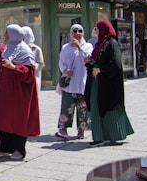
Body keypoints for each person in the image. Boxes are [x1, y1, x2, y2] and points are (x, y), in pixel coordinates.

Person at [0, 24, 40, 160]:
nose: (4, 35)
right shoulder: (9, 48)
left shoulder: (25, 50)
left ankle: (19, 149)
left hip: (18, 93)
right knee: (3, 117)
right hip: (6, 91)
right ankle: (5, 147)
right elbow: (5, 63)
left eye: (6, 33)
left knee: (18, 119)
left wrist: (14, 67)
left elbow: (30, 73)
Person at [84, 19, 134, 147]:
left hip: (108, 84)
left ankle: (111, 135)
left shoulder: (112, 43)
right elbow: (98, 60)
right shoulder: (99, 44)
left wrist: (100, 69)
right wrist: (90, 63)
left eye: (97, 28)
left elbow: (116, 63)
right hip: (97, 83)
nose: (96, 31)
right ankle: (98, 136)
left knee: (107, 108)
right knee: (96, 108)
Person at [55, 24, 93, 140]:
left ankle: (81, 130)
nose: (77, 33)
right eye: (74, 31)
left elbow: (87, 59)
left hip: (82, 82)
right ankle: (63, 129)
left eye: (80, 31)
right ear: (71, 33)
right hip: (69, 83)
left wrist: (79, 48)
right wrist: (65, 70)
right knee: (66, 107)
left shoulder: (88, 46)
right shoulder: (66, 47)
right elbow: (61, 61)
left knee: (82, 108)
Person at [22, 26, 45, 94]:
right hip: (22, 76)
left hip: (33, 76)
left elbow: (41, 64)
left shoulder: (36, 49)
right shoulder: (18, 48)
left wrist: (32, 68)